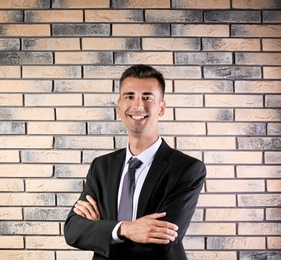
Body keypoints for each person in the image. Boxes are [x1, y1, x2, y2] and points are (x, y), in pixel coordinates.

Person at [64, 64, 206, 260]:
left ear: (161, 108)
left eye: (147, 97)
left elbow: (163, 242)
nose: (138, 105)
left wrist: (102, 229)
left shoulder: (186, 169)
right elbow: (73, 230)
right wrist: (125, 229)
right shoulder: (101, 167)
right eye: (129, 96)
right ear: (119, 106)